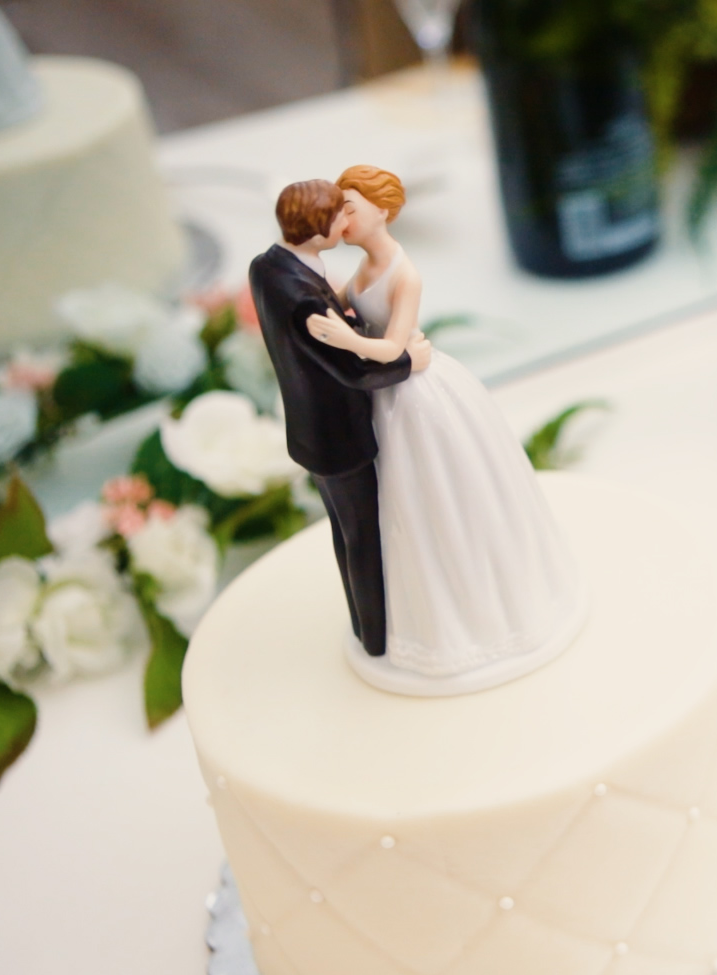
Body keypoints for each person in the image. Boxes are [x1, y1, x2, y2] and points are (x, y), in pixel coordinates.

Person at [303, 165, 587, 695]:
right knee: (401, 508)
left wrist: (343, 339)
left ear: (381, 211)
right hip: (381, 397)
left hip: (415, 396)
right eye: (339, 208)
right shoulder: (360, 271)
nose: (341, 217)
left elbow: (392, 347)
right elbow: (348, 312)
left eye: (350, 207)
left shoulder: (404, 274)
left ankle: (478, 619)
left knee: (440, 496)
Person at [248, 179, 431, 658]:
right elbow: (353, 369)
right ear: (319, 229)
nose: (344, 224)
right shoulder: (305, 296)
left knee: (343, 532)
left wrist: (347, 327)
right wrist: (411, 360)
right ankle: (374, 641)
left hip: (310, 432)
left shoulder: (266, 266)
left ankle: (361, 622)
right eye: (338, 216)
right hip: (339, 437)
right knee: (363, 538)